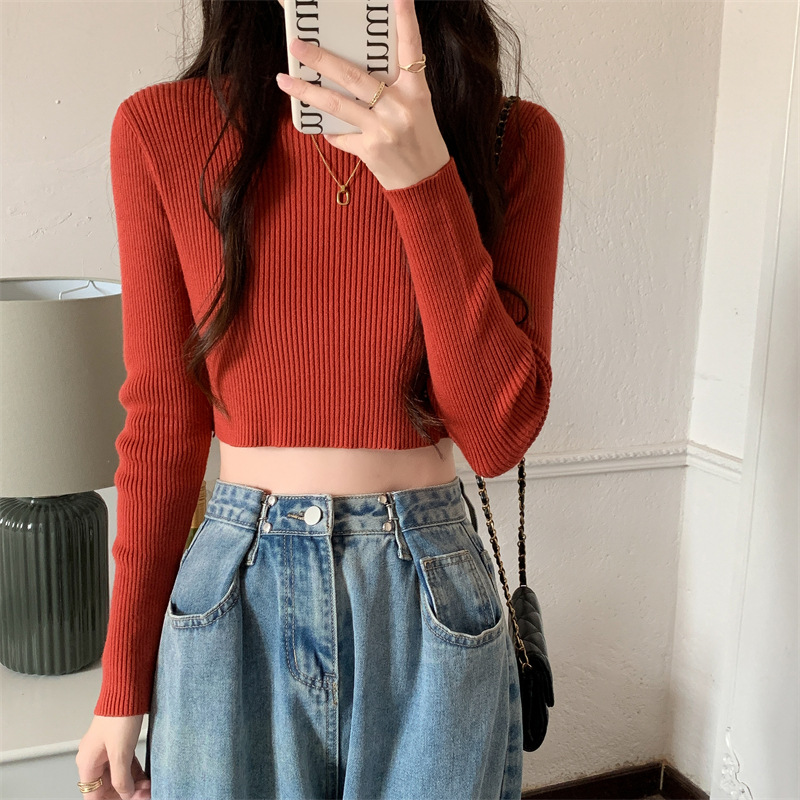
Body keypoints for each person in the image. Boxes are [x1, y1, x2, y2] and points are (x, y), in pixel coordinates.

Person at [75, 0, 564, 797]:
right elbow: (162, 424)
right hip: (234, 593)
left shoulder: (510, 137)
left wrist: (423, 178)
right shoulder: (162, 129)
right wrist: (121, 682)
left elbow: (495, 434)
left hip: (430, 592)